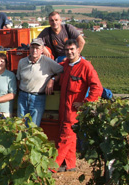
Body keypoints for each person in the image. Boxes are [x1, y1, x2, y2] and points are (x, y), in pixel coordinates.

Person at [55, 39, 102, 172]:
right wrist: (53, 79)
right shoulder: (65, 65)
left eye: (72, 49)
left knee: (65, 136)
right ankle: (70, 164)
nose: (69, 52)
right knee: (70, 135)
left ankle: (53, 166)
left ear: (78, 50)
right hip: (63, 107)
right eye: (67, 50)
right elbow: (54, 69)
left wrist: (85, 103)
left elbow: (97, 88)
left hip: (74, 110)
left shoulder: (85, 66)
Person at [16, 38, 63, 126]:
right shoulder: (22, 62)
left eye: (37, 48)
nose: (34, 50)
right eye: (32, 47)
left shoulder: (47, 62)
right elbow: (18, 79)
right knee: (20, 125)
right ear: (29, 48)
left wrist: (52, 80)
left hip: (38, 98)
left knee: (33, 126)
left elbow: (62, 71)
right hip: (22, 96)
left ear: (42, 50)